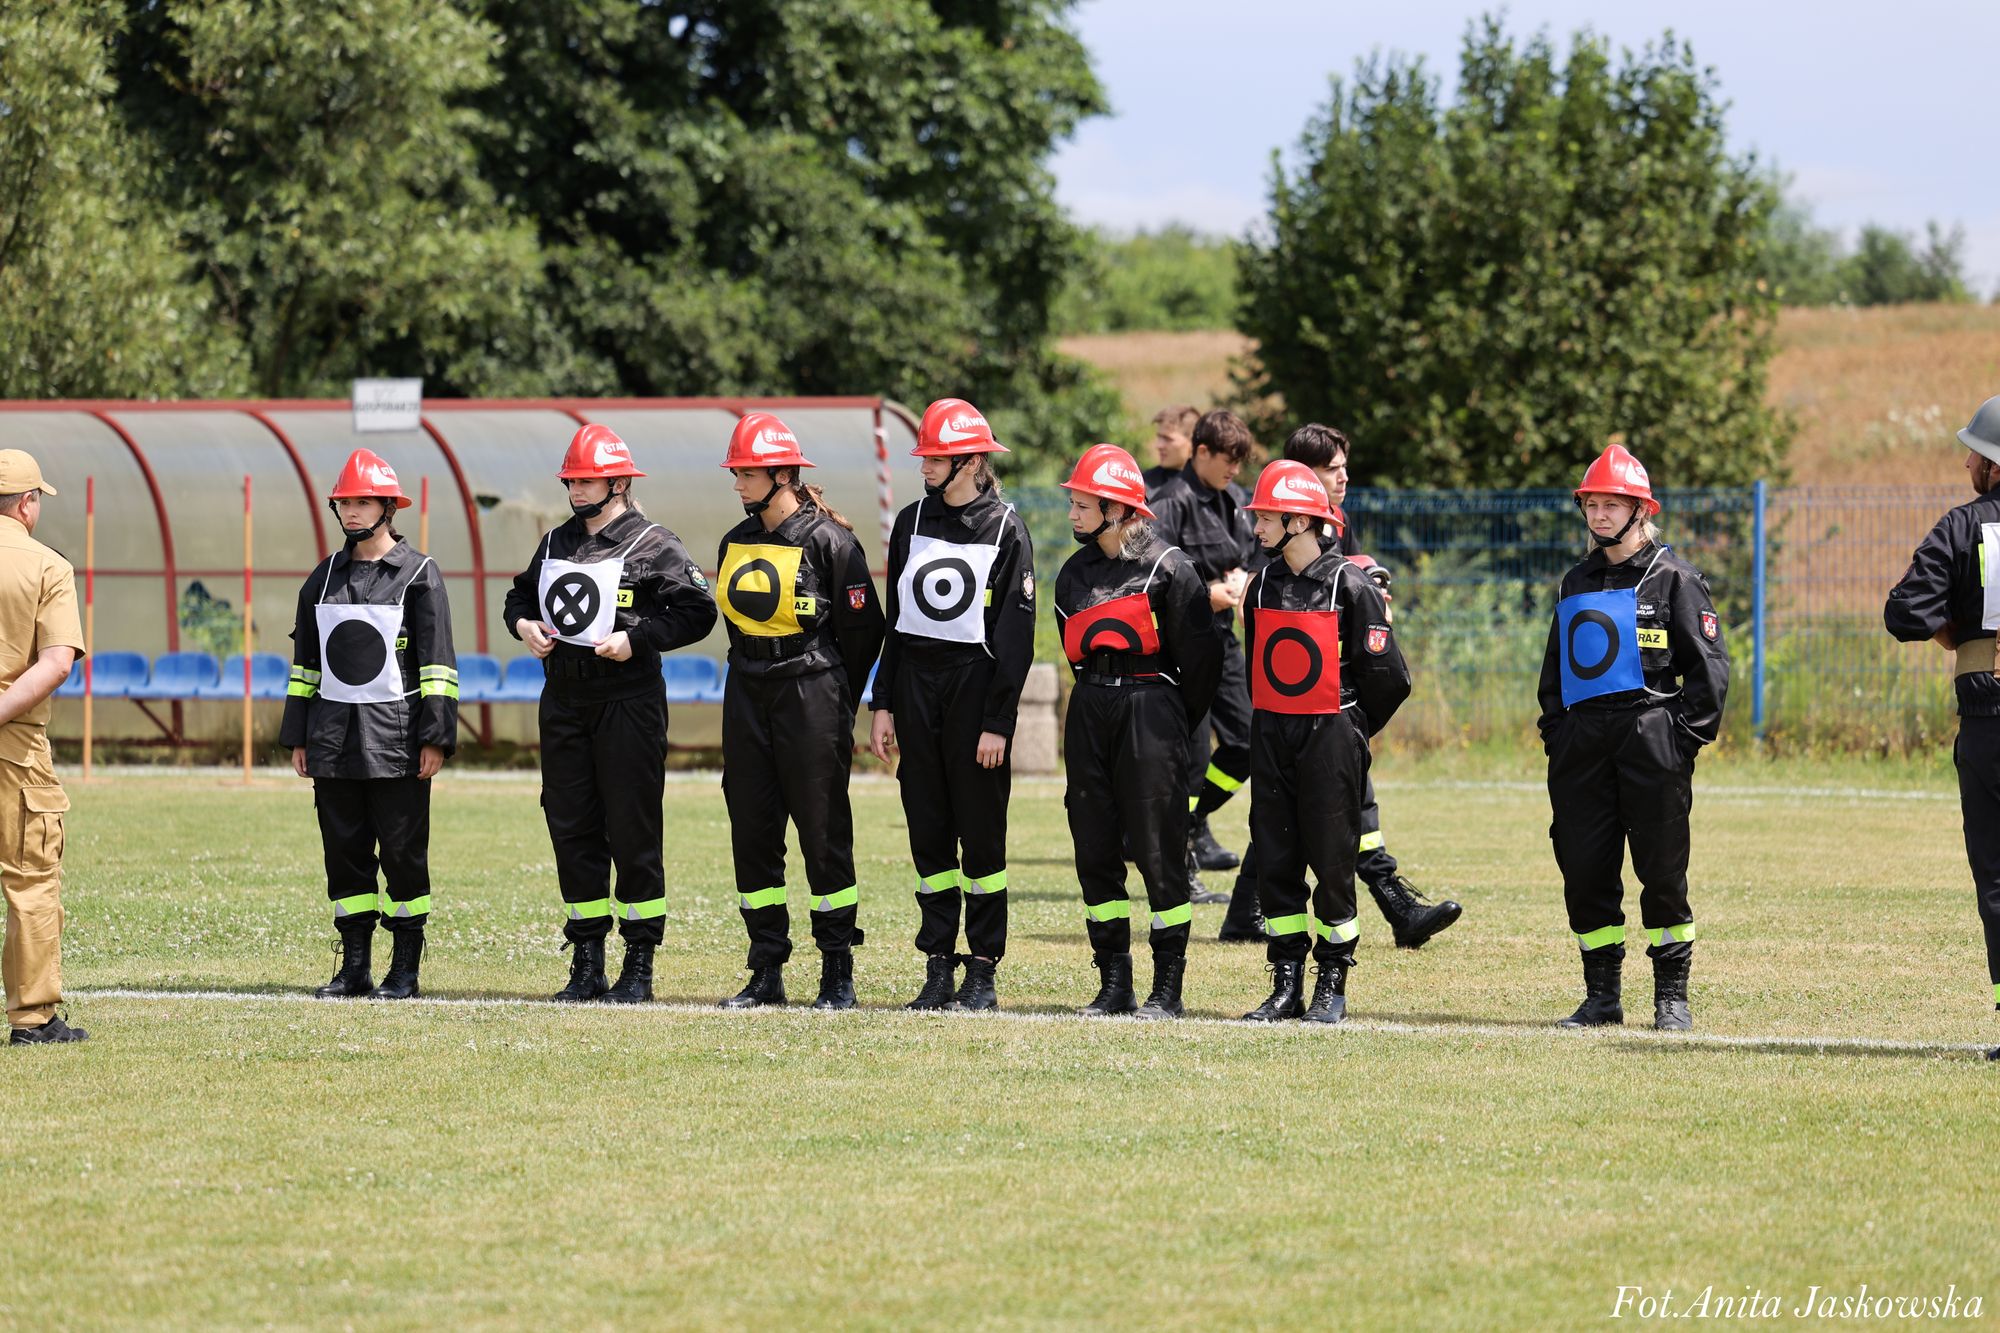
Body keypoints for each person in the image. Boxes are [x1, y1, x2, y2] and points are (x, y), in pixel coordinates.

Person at [1218, 424, 1462, 949]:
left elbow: (1351, 589)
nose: (1344, 476)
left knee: (1318, 813)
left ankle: (1254, 912)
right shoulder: (1276, 534)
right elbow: (1260, 614)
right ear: (1303, 479)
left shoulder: (1334, 526)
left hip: (1332, 712)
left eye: (1345, 466)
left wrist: (1348, 718)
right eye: (1332, 469)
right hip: (1295, 711)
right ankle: (1391, 906)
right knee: (1295, 816)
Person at [504, 424, 717, 1004]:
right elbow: (520, 595)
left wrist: (637, 639)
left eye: (587, 480)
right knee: (571, 826)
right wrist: (524, 625)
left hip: (628, 702)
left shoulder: (654, 542)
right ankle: (587, 963)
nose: (576, 489)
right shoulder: (555, 542)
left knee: (632, 828)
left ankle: (639, 964)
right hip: (563, 701)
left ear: (619, 483)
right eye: (571, 481)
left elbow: (698, 611)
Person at [1537, 444, 1728, 1031]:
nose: (1599, 516)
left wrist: (1679, 740)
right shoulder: (1576, 581)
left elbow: (1710, 672)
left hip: (1651, 739)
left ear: (1641, 510)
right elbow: (1554, 671)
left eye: (1612, 505)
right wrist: (1558, 734)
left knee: (1662, 871)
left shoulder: (1675, 579)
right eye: (1591, 505)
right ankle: (1601, 997)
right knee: (1585, 869)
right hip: (1582, 746)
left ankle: (1671, 996)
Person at [868, 399, 1036, 1011]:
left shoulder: (1007, 528)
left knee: (982, 839)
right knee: (928, 832)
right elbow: (896, 622)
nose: (925, 467)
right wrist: (883, 703)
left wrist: (998, 722)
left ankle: (982, 968)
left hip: (974, 691)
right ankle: (938, 964)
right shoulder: (910, 522)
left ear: (970, 462)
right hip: (916, 688)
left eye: (936, 459)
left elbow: (1017, 638)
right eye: (925, 458)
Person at [715, 412, 885, 1010]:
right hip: (747, 691)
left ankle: (837, 971)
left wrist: (836, 696)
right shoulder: (735, 540)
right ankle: (766, 969)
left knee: (822, 832)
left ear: (782, 475)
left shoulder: (830, 541)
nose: (738, 483)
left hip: (812, 693)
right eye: (736, 473)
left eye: (747, 473)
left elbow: (865, 632)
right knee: (752, 832)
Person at [1236, 461, 1410, 1023]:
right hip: (1272, 732)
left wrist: (1351, 731)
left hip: (1331, 733)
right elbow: (1255, 665)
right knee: (1276, 858)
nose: (1257, 527)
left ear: (1299, 521)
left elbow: (1390, 678)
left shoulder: (1351, 586)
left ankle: (1332, 980)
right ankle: (1285, 981)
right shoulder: (1262, 585)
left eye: (1266, 517)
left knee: (1334, 862)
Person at [1055, 444, 1222, 1019]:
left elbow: (1202, 664)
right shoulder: (1073, 573)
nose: (1073, 514)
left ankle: (1166, 989)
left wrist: (1166, 721)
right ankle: (1114, 984)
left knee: (1158, 851)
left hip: (1152, 711)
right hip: (1089, 708)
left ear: (1119, 509)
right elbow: (1073, 651)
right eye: (1073, 503)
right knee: (1094, 846)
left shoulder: (1172, 568)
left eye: (1083, 505)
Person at [282, 450, 457, 1000]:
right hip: (332, 742)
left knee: (404, 855)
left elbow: (438, 665)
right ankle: (354, 967)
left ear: (388, 507)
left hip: (398, 743)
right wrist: (298, 735)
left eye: (363, 502)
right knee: (344, 855)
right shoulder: (323, 578)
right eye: (344, 503)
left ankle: (404, 970)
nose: (352, 511)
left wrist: (435, 738)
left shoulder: (420, 575)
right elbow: (306, 666)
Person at [1883, 393, 2000, 1062]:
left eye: (1976, 454)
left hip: (1990, 718)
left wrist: (1953, 623)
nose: (1967, 464)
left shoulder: (1963, 527)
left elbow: (1906, 614)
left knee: (1997, 875)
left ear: (1995, 467)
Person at [0, 451, 87, 1045]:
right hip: (16, 748)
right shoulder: (47, 566)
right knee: (29, 881)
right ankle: (32, 1020)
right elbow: (56, 663)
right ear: (28, 503)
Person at [1149, 410, 1259, 883]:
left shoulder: (1236, 500)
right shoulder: (1170, 503)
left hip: (1223, 641)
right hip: (1179, 648)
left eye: (1239, 461)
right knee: (1189, 760)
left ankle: (1193, 821)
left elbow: (1256, 551)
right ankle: (1181, 869)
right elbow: (1151, 576)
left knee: (1247, 742)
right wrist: (1205, 594)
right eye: (1227, 459)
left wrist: (1245, 578)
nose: (1234, 469)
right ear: (1201, 453)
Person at [1142, 404, 1199, 497]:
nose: (1159, 445)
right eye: (1159, 437)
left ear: (1193, 443)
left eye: (1168, 439)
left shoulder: (1213, 488)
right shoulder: (1143, 485)